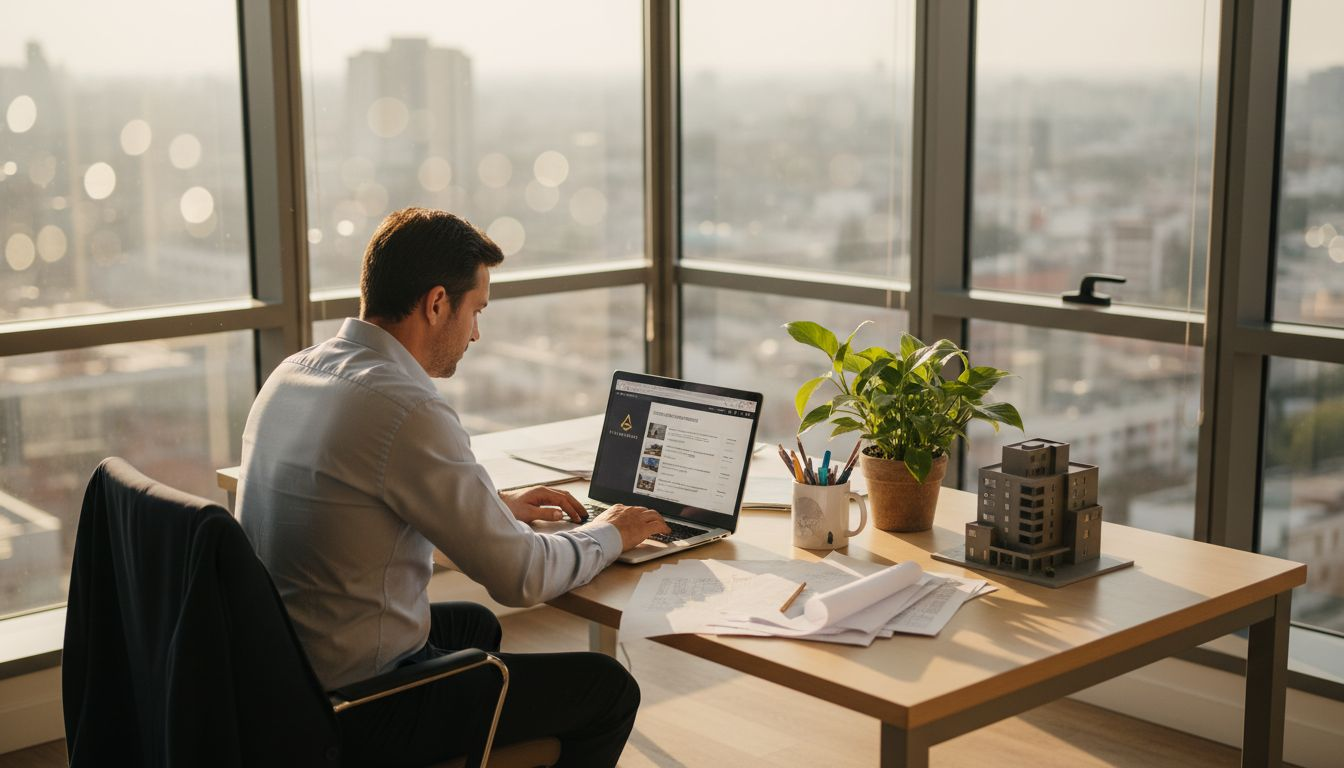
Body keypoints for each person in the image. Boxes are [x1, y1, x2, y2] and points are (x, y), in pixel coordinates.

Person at [236, 207, 670, 767]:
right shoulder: (405, 407)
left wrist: (493, 509)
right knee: (606, 689)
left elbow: (361, 510)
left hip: (280, 682)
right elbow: (522, 576)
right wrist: (612, 531)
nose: (477, 332)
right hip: (353, 711)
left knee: (473, 626)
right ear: (437, 304)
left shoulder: (293, 373)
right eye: (476, 310)